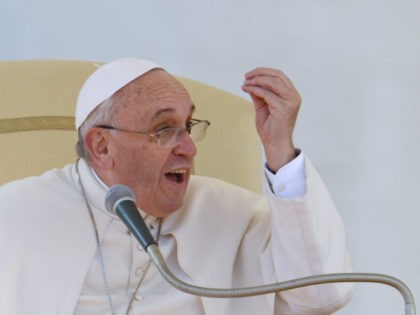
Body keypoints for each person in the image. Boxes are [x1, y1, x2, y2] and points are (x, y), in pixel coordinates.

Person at [0, 58, 353, 315]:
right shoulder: (15, 214)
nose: (189, 147)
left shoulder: (231, 214)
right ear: (101, 147)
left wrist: (279, 148)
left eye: (188, 126)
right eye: (164, 129)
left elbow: (323, 296)